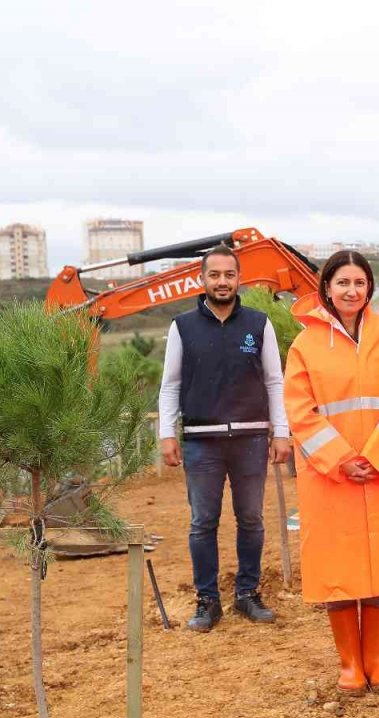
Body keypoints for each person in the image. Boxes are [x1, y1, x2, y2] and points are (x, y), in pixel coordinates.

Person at [284, 251, 379, 694]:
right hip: (330, 476)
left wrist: (377, 456)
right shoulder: (305, 344)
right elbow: (300, 412)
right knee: (338, 566)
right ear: (326, 288)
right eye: (342, 282)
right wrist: (342, 459)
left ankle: (378, 662)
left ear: (369, 288)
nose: (351, 291)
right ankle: (349, 665)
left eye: (359, 283)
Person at [158, 245, 289, 632]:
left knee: (250, 519)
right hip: (201, 442)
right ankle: (207, 600)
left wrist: (281, 432)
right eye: (214, 275)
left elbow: (274, 381)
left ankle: (247, 594)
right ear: (202, 279)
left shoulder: (258, 324)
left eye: (228, 275)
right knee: (203, 522)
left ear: (239, 278)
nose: (221, 282)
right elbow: (170, 386)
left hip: (250, 439)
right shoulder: (182, 326)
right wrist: (168, 434)